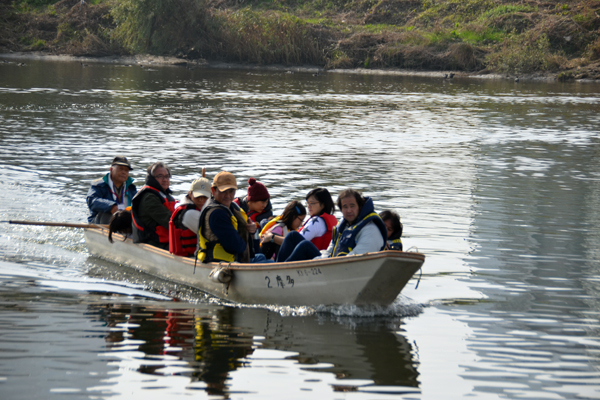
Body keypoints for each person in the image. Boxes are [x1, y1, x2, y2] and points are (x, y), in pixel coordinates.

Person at [277, 189, 387, 262]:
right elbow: (330, 250)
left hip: (343, 269)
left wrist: (273, 238)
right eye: (345, 207)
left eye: (352, 206)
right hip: (332, 266)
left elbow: (358, 259)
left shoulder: (370, 229)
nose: (349, 210)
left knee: (303, 244)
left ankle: (279, 270)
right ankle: (278, 269)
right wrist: (318, 260)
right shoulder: (344, 226)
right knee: (293, 236)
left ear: (360, 206)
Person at [196, 171, 255, 263]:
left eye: (231, 191)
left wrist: (251, 230)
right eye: (223, 191)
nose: (228, 196)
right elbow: (235, 246)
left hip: (239, 259)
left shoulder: (231, 206)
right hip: (226, 264)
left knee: (262, 256)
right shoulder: (217, 214)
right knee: (268, 261)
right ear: (213, 190)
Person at [131, 162, 177, 250]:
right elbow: (170, 221)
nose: (165, 180)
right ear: (152, 179)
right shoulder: (149, 198)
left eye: (167, 176)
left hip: (167, 240)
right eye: (160, 176)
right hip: (154, 243)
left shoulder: (164, 195)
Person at [86, 156, 137, 224]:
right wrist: (111, 206)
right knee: (106, 214)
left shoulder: (131, 188)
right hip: (100, 223)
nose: (124, 172)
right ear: (111, 169)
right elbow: (92, 200)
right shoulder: (99, 185)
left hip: (124, 223)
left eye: (126, 170)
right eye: (121, 169)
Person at [169, 177, 211, 257]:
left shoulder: (200, 208)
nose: (201, 200)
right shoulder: (189, 214)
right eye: (197, 196)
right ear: (190, 194)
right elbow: (213, 234)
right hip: (190, 257)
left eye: (205, 197)